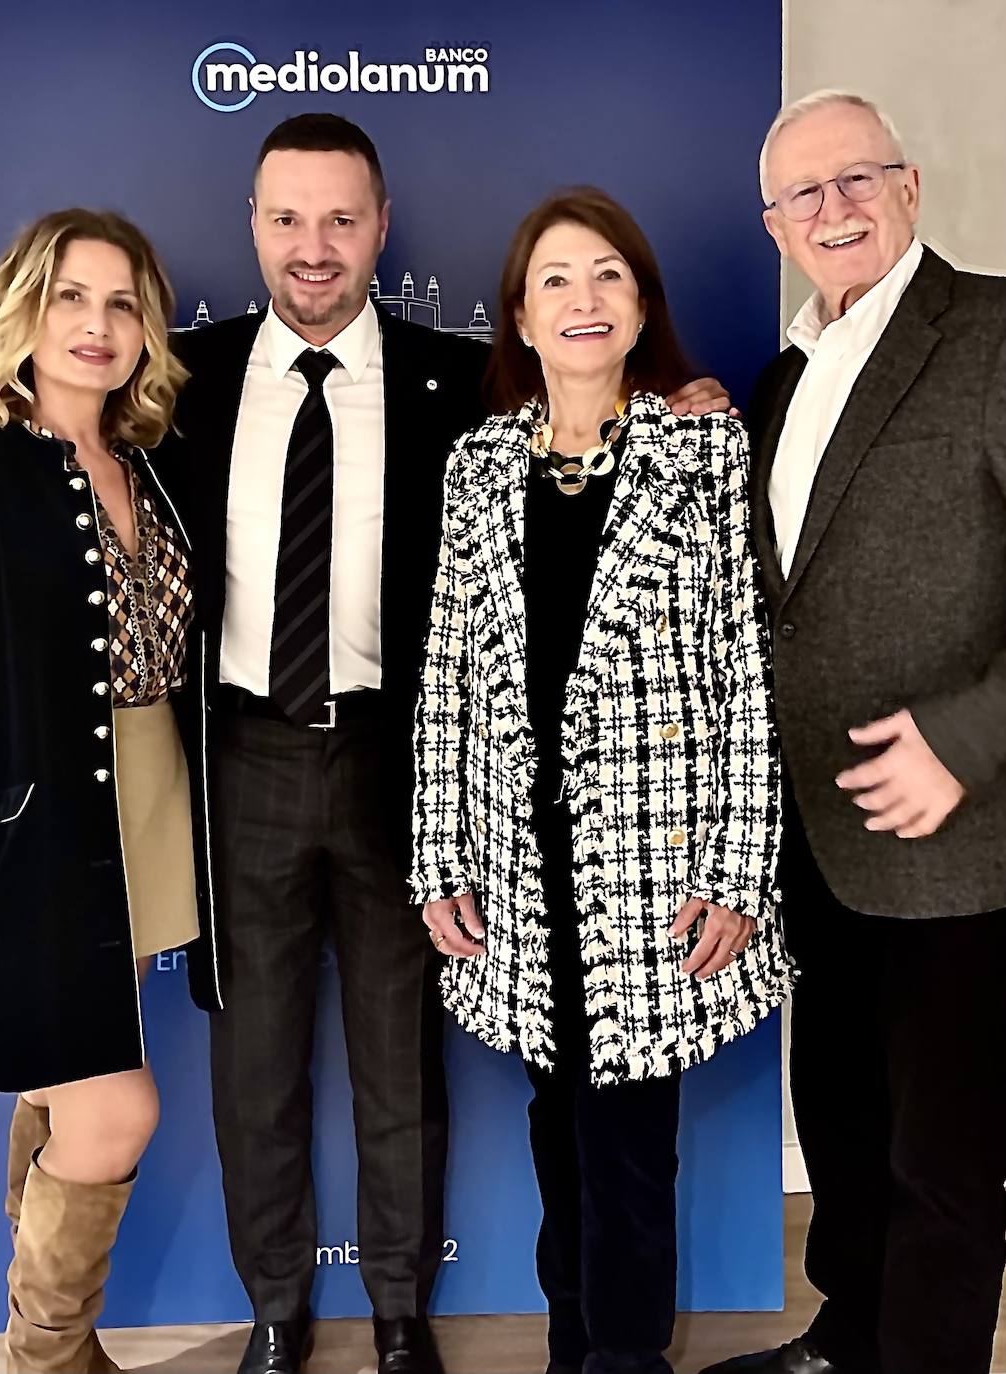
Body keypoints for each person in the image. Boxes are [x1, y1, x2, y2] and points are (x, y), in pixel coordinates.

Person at [157, 113, 736, 1374]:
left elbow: (592, 439)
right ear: (254, 224)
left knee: (399, 1055)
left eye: (342, 218)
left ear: (380, 226)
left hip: (396, 762)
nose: (315, 247)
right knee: (252, 1061)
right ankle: (274, 1307)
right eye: (288, 218)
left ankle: (404, 1310)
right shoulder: (181, 380)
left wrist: (679, 397)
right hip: (245, 755)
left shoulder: (454, 380)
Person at [413, 187, 793, 1374]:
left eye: (608, 277)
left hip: (658, 870)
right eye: (557, 282)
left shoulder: (704, 449)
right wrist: (439, 855)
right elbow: (445, 677)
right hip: (520, 874)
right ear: (520, 317)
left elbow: (747, 667)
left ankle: (623, 1362)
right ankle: (572, 1346)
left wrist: (736, 869)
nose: (584, 301)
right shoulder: (475, 466)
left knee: (629, 1144)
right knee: (551, 1128)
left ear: (640, 308)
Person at [702, 90, 1006, 1374]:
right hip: (810, 837)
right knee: (839, 1114)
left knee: (944, 1157)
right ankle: (849, 1336)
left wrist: (968, 740)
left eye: (855, 181)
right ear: (772, 224)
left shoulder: (991, 332)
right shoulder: (783, 376)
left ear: (910, 187)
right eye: (801, 196)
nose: (832, 211)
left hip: (959, 838)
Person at [0, 208, 214, 1374]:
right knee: (114, 1110)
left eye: (122, 302)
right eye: (69, 298)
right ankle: (46, 1359)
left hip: (144, 815)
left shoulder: (155, 463)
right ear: (23, 314)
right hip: (34, 829)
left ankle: (51, 1351)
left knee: (60, 1087)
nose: (96, 326)